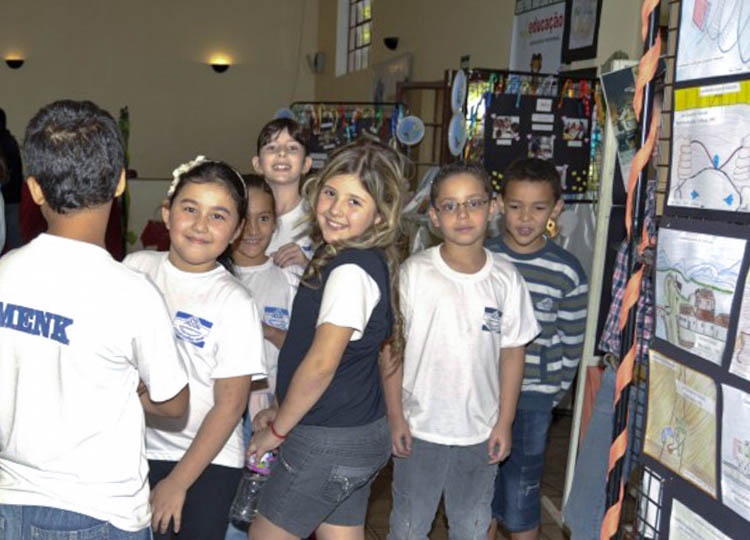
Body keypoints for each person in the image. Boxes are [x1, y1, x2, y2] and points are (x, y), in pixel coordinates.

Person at [0, 99, 189, 538]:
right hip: (98, 510)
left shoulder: (4, 273)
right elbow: (175, 403)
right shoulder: (131, 292)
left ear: (34, 189)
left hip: (9, 500)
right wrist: (136, 390)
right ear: (121, 182)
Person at [246, 138, 405, 540]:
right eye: (331, 193)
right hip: (358, 431)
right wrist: (282, 403)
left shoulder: (350, 272)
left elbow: (321, 366)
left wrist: (278, 430)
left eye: (355, 202)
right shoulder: (347, 256)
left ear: (380, 216)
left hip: (328, 439)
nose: (336, 209)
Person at [384, 161, 541, 540]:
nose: (463, 214)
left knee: (471, 526)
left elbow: (512, 353)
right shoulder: (414, 273)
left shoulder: (506, 279)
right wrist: (395, 417)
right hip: (419, 428)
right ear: (434, 216)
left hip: (480, 431)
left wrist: (504, 421)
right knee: (408, 526)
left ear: (492, 208)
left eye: (473, 203)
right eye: (450, 206)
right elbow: (391, 350)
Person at [124, 157, 266, 540]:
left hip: (206, 463)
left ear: (236, 231)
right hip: (132, 451)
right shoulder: (135, 269)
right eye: (190, 209)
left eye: (218, 216)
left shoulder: (233, 301)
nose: (201, 225)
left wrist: (177, 483)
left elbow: (230, 405)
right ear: (167, 214)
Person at [485, 158, 588, 540]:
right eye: (515, 206)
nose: (525, 217)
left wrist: (549, 394)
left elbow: (571, 342)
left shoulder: (567, 271)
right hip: (480, 397)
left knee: (521, 493)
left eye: (538, 207)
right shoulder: (483, 260)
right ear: (498, 205)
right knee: (479, 494)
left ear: (556, 209)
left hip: (532, 401)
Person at [224, 174, 299, 540]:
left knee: (258, 508)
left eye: (265, 218)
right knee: (222, 506)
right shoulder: (216, 273)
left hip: (270, 410)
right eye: (247, 218)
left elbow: (305, 349)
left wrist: (267, 331)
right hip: (222, 409)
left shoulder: (289, 278)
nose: (254, 229)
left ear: (276, 223)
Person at [251, 118, 314, 268]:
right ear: (257, 164)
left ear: (306, 164)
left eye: (292, 148)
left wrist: (306, 265)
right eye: (272, 148)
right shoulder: (241, 217)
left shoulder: (317, 219)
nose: (281, 153)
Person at [0, 107, 23, 251]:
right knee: (14, 236)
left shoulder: (2, 143)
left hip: (6, 196)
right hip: (14, 197)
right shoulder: (11, 140)